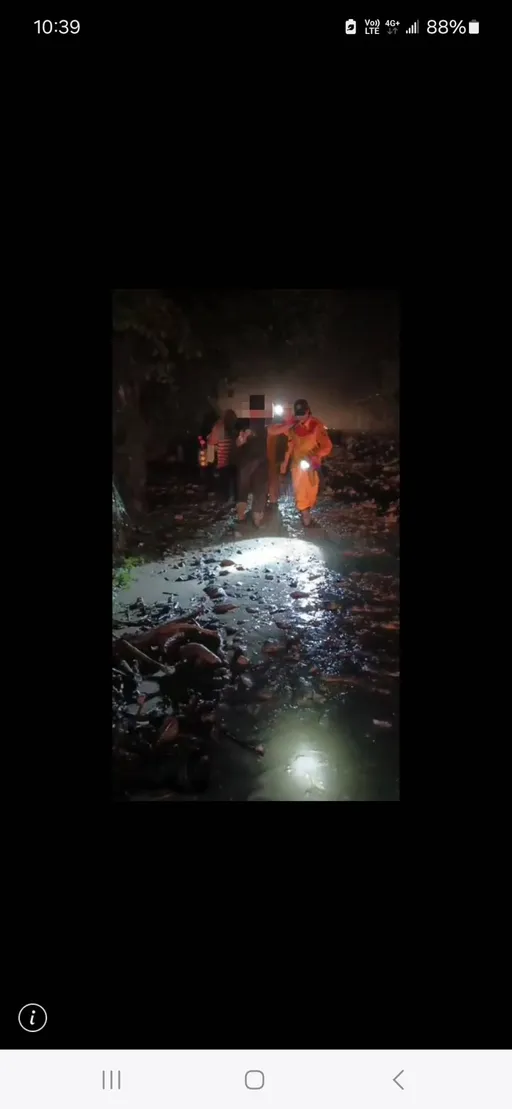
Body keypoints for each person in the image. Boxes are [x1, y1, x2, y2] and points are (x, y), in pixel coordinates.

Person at [267, 399, 332, 526]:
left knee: (313, 491)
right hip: (298, 465)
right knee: (301, 491)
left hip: (313, 464)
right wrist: (284, 465)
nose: (300, 417)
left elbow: (327, 446)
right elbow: (275, 432)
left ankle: (307, 510)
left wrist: (316, 455)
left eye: (302, 413)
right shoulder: (293, 426)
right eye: (298, 414)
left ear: (308, 411)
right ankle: (305, 516)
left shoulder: (316, 425)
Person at [233, 423, 269, 528]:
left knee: (243, 489)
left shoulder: (244, 428)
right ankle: (256, 520)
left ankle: (241, 517)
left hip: (246, 463)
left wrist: (241, 439)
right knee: (259, 490)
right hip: (259, 462)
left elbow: (238, 443)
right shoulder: (265, 428)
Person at [207, 409, 237, 501]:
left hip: (227, 462)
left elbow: (211, 442)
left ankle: (227, 502)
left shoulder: (221, 427)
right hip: (230, 462)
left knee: (226, 487)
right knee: (231, 485)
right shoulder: (228, 428)